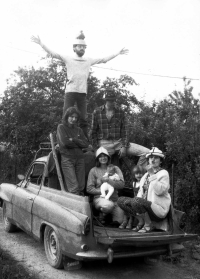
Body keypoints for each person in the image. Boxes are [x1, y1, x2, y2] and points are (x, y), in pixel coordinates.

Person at [31, 31, 128, 138]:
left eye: (84, 47)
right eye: (80, 46)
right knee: (66, 117)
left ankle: (85, 141)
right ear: (74, 48)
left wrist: (117, 53)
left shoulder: (88, 60)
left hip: (82, 93)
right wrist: (41, 44)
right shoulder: (68, 58)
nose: (82, 48)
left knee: (83, 119)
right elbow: (54, 54)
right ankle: (63, 139)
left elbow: (104, 60)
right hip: (70, 92)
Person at [90, 88, 150, 168]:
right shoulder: (97, 112)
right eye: (109, 100)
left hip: (119, 142)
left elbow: (125, 131)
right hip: (104, 144)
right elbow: (92, 132)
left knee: (146, 152)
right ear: (105, 100)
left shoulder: (120, 111)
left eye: (112, 100)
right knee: (102, 166)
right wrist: (96, 149)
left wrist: (124, 147)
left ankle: (138, 175)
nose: (111, 102)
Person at [117, 147, 171, 233]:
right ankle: (141, 221)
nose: (152, 160)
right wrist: (133, 203)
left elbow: (159, 191)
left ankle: (148, 225)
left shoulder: (164, 173)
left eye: (156, 157)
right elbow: (140, 193)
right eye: (150, 157)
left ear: (160, 161)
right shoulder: (145, 175)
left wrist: (152, 174)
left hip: (158, 209)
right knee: (121, 201)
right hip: (144, 207)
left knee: (137, 201)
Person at [87, 147, 124, 227]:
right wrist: (103, 191)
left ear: (108, 157)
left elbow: (121, 185)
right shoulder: (93, 170)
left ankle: (107, 217)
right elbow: (89, 189)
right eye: (100, 156)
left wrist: (108, 180)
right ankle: (101, 215)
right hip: (100, 198)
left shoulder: (115, 168)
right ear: (97, 159)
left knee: (119, 221)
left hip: (114, 199)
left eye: (105, 156)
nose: (103, 158)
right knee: (108, 206)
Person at [57, 107, 88, 196]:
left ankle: (81, 208)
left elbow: (85, 144)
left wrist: (74, 140)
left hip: (80, 159)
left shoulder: (79, 130)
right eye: (71, 116)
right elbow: (65, 143)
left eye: (76, 118)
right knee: (73, 188)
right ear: (67, 116)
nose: (74, 119)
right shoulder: (61, 127)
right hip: (68, 159)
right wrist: (79, 144)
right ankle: (74, 208)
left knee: (81, 187)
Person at [119, 165, 144, 229]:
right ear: (134, 175)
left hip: (140, 200)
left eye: (140, 173)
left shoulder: (144, 183)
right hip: (135, 199)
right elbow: (133, 193)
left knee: (132, 204)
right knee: (125, 204)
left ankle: (131, 221)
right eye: (136, 174)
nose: (138, 175)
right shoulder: (134, 183)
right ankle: (125, 221)